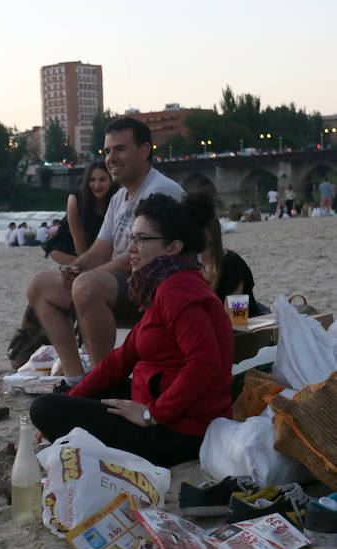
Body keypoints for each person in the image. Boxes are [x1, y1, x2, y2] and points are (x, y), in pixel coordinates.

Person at [30, 192, 234, 467]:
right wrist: (71, 398)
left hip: (183, 431)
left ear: (173, 247)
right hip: (164, 407)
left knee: (43, 408)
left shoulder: (178, 290)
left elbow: (204, 363)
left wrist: (152, 414)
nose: (132, 249)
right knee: (82, 392)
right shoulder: (164, 284)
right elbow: (119, 360)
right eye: (131, 238)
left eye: (142, 239)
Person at [25, 117, 184, 387]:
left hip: (158, 288)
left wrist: (87, 276)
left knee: (88, 286)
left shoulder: (160, 191)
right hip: (121, 284)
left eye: (120, 149)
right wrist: (75, 269)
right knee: (40, 285)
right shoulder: (118, 198)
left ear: (144, 151)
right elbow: (100, 250)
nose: (111, 158)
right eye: (107, 151)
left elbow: (140, 258)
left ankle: (105, 383)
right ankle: (76, 379)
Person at [42, 160, 118, 265]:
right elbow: (77, 238)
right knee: (55, 252)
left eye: (102, 180)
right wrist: (87, 262)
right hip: (73, 245)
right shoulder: (75, 200)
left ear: (111, 181)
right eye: (92, 180)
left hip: (102, 246)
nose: (97, 185)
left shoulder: (118, 199)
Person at [201, 218, 264, 317]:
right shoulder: (191, 266)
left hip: (245, 325)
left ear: (209, 234)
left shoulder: (231, 264)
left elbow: (237, 316)